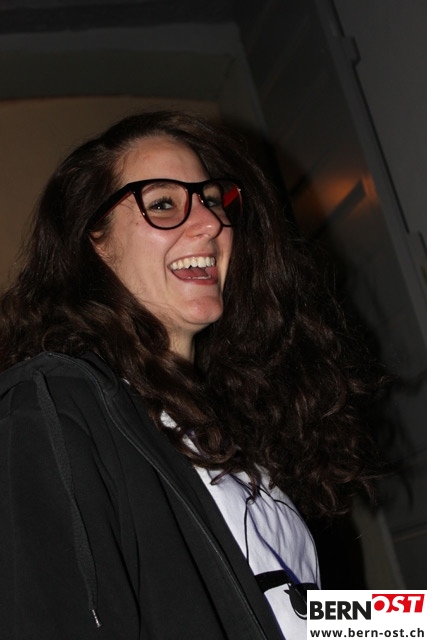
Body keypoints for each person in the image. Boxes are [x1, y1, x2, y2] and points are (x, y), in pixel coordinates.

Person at [0, 111, 378, 639]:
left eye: (213, 200)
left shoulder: (225, 420)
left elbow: (285, 609)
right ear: (95, 241)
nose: (210, 224)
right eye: (162, 204)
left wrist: (408, 618)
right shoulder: (54, 405)